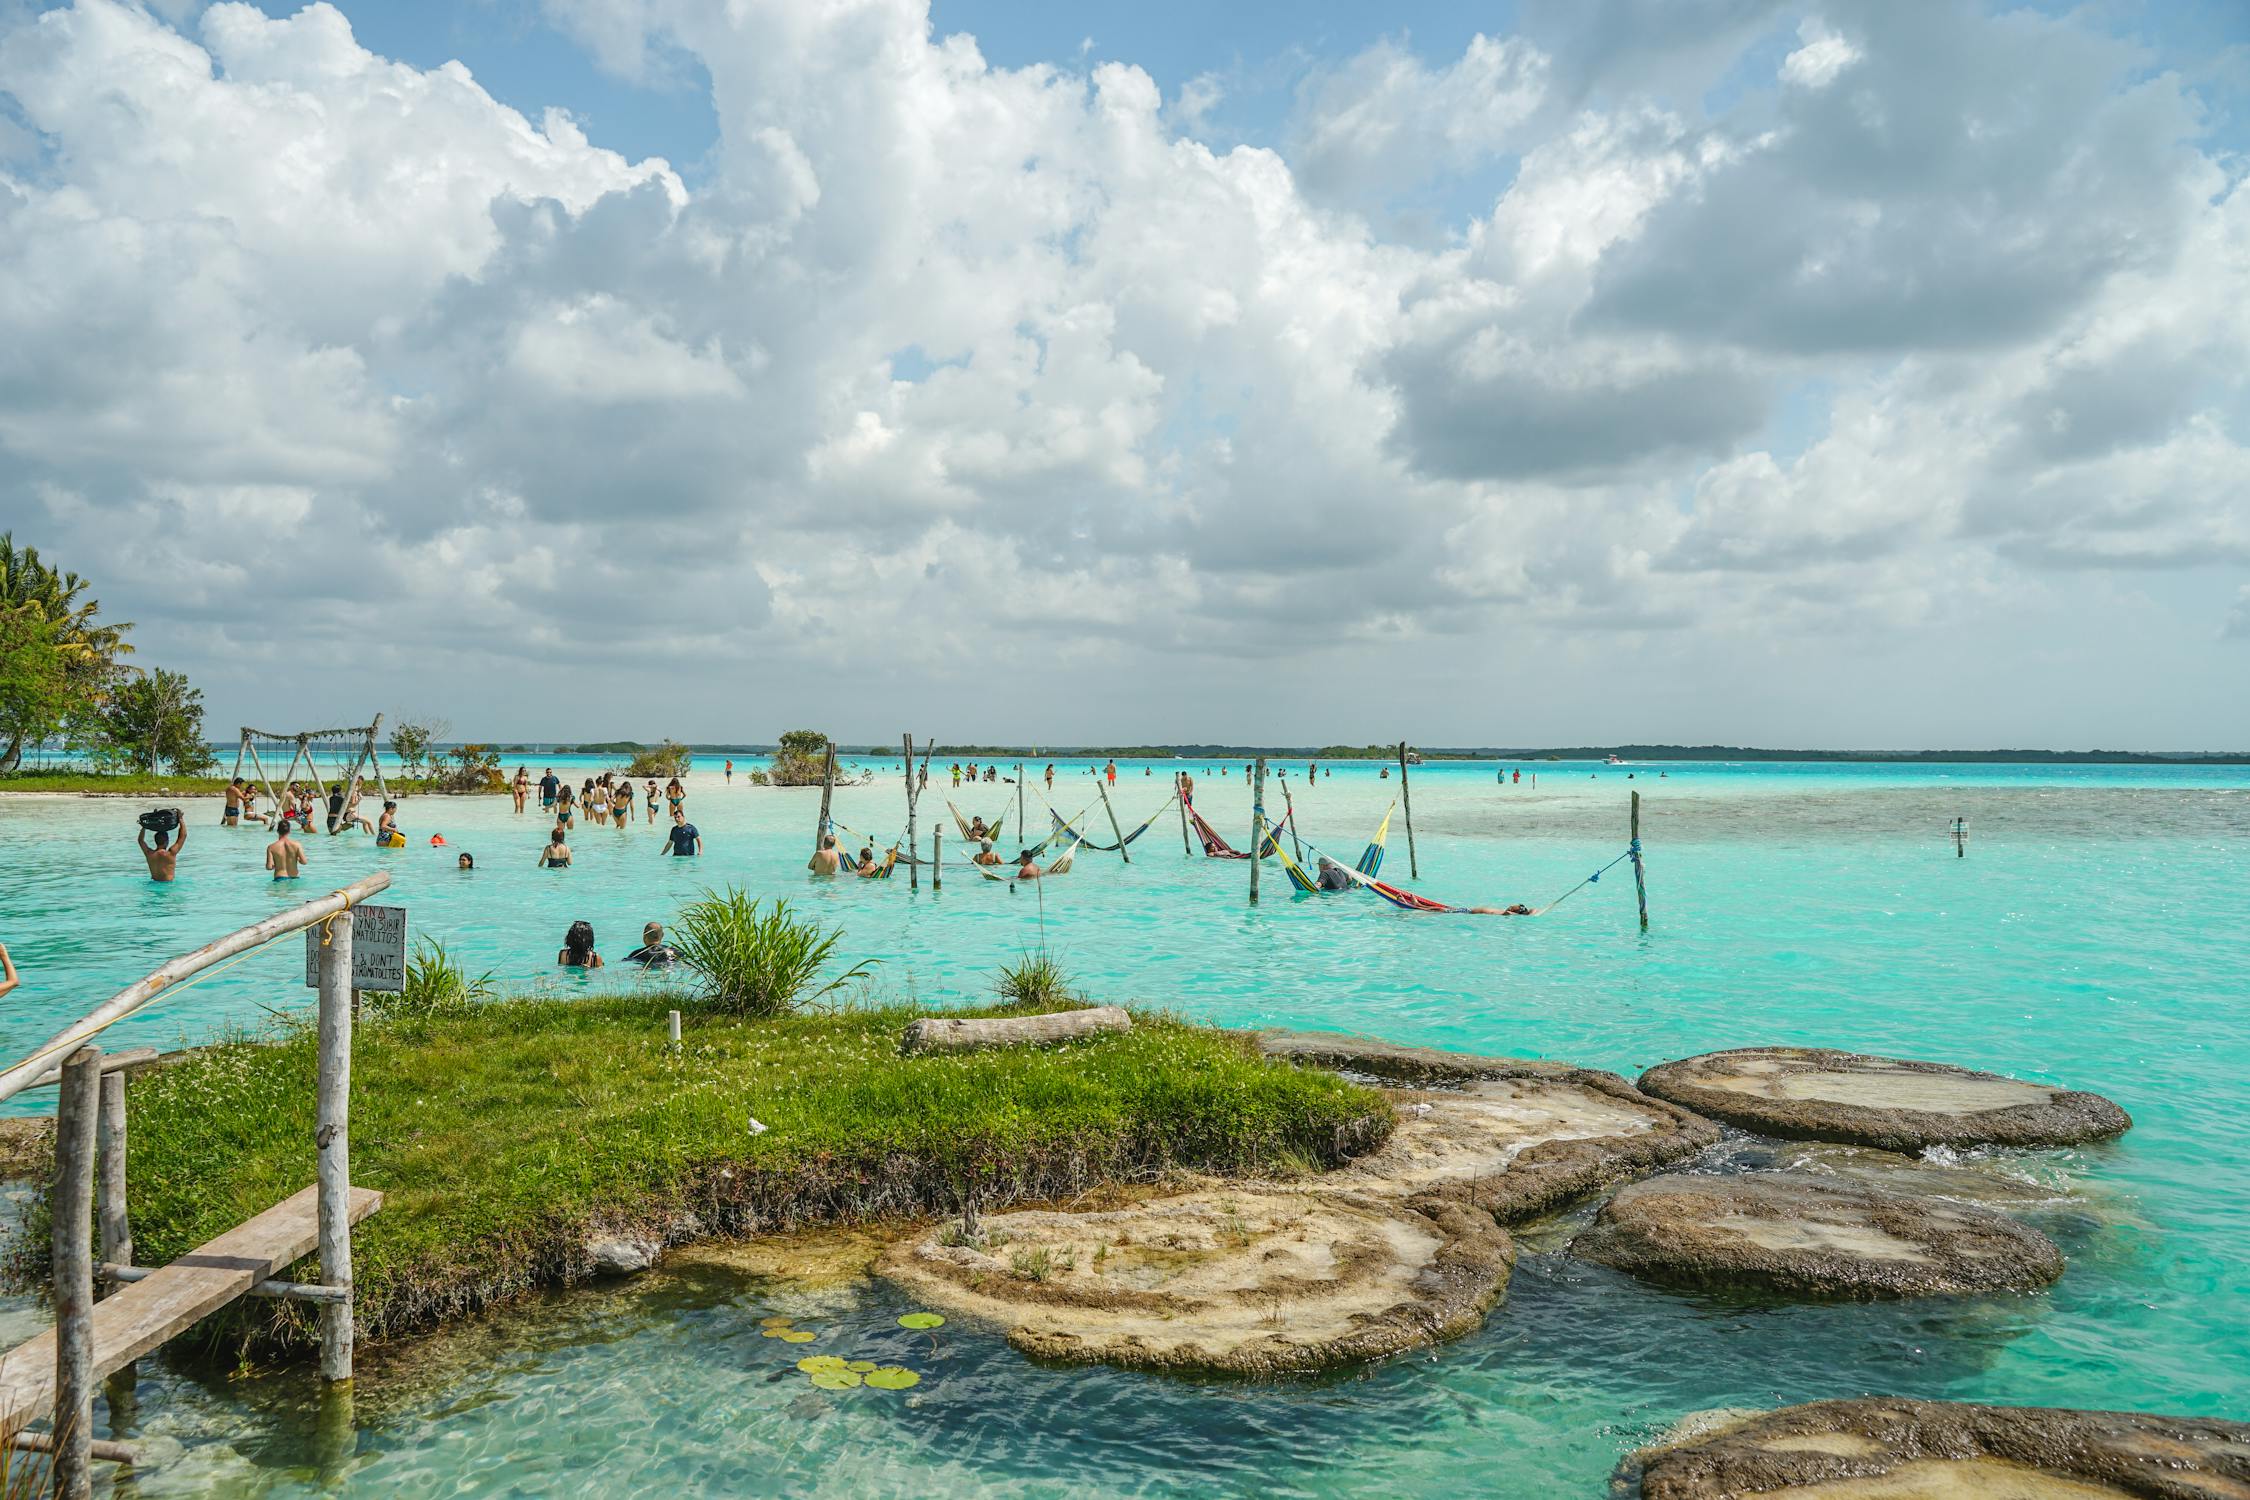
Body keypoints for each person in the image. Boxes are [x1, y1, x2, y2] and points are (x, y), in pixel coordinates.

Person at [138, 810, 186, 882]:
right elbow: (183, 836)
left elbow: (140, 841)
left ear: (155, 841)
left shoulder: (149, 853)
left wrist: (144, 826)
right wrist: (181, 818)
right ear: (167, 841)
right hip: (167, 886)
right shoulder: (171, 853)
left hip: (153, 884)